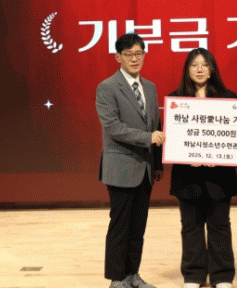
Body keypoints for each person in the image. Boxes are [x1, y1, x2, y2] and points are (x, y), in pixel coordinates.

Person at [96, 33, 166, 288]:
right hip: (121, 168)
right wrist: (148, 138)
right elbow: (114, 127)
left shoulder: (150, 87)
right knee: (120, 227)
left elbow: (156, 124)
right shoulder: (107, 87)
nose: (134, 59)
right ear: (118, 57)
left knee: (138, 228)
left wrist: (157, 164)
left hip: (145, 169)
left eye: (138, 54)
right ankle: (117, 279)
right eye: (128, 55)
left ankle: (133, 275)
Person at [169, 48, 237, 288]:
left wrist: (220, 156)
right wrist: (184, 155)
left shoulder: (229, 99)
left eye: (204, 64)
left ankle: (222, 276)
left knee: (220, 225)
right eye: (194, 65)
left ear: (212, 69)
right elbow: (171, 139)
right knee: (191, 226)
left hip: (219, 175)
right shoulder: (176, 100)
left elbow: (236, 138)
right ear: (187, 70)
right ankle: (193, 275)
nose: (199, 69)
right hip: (187, 174)